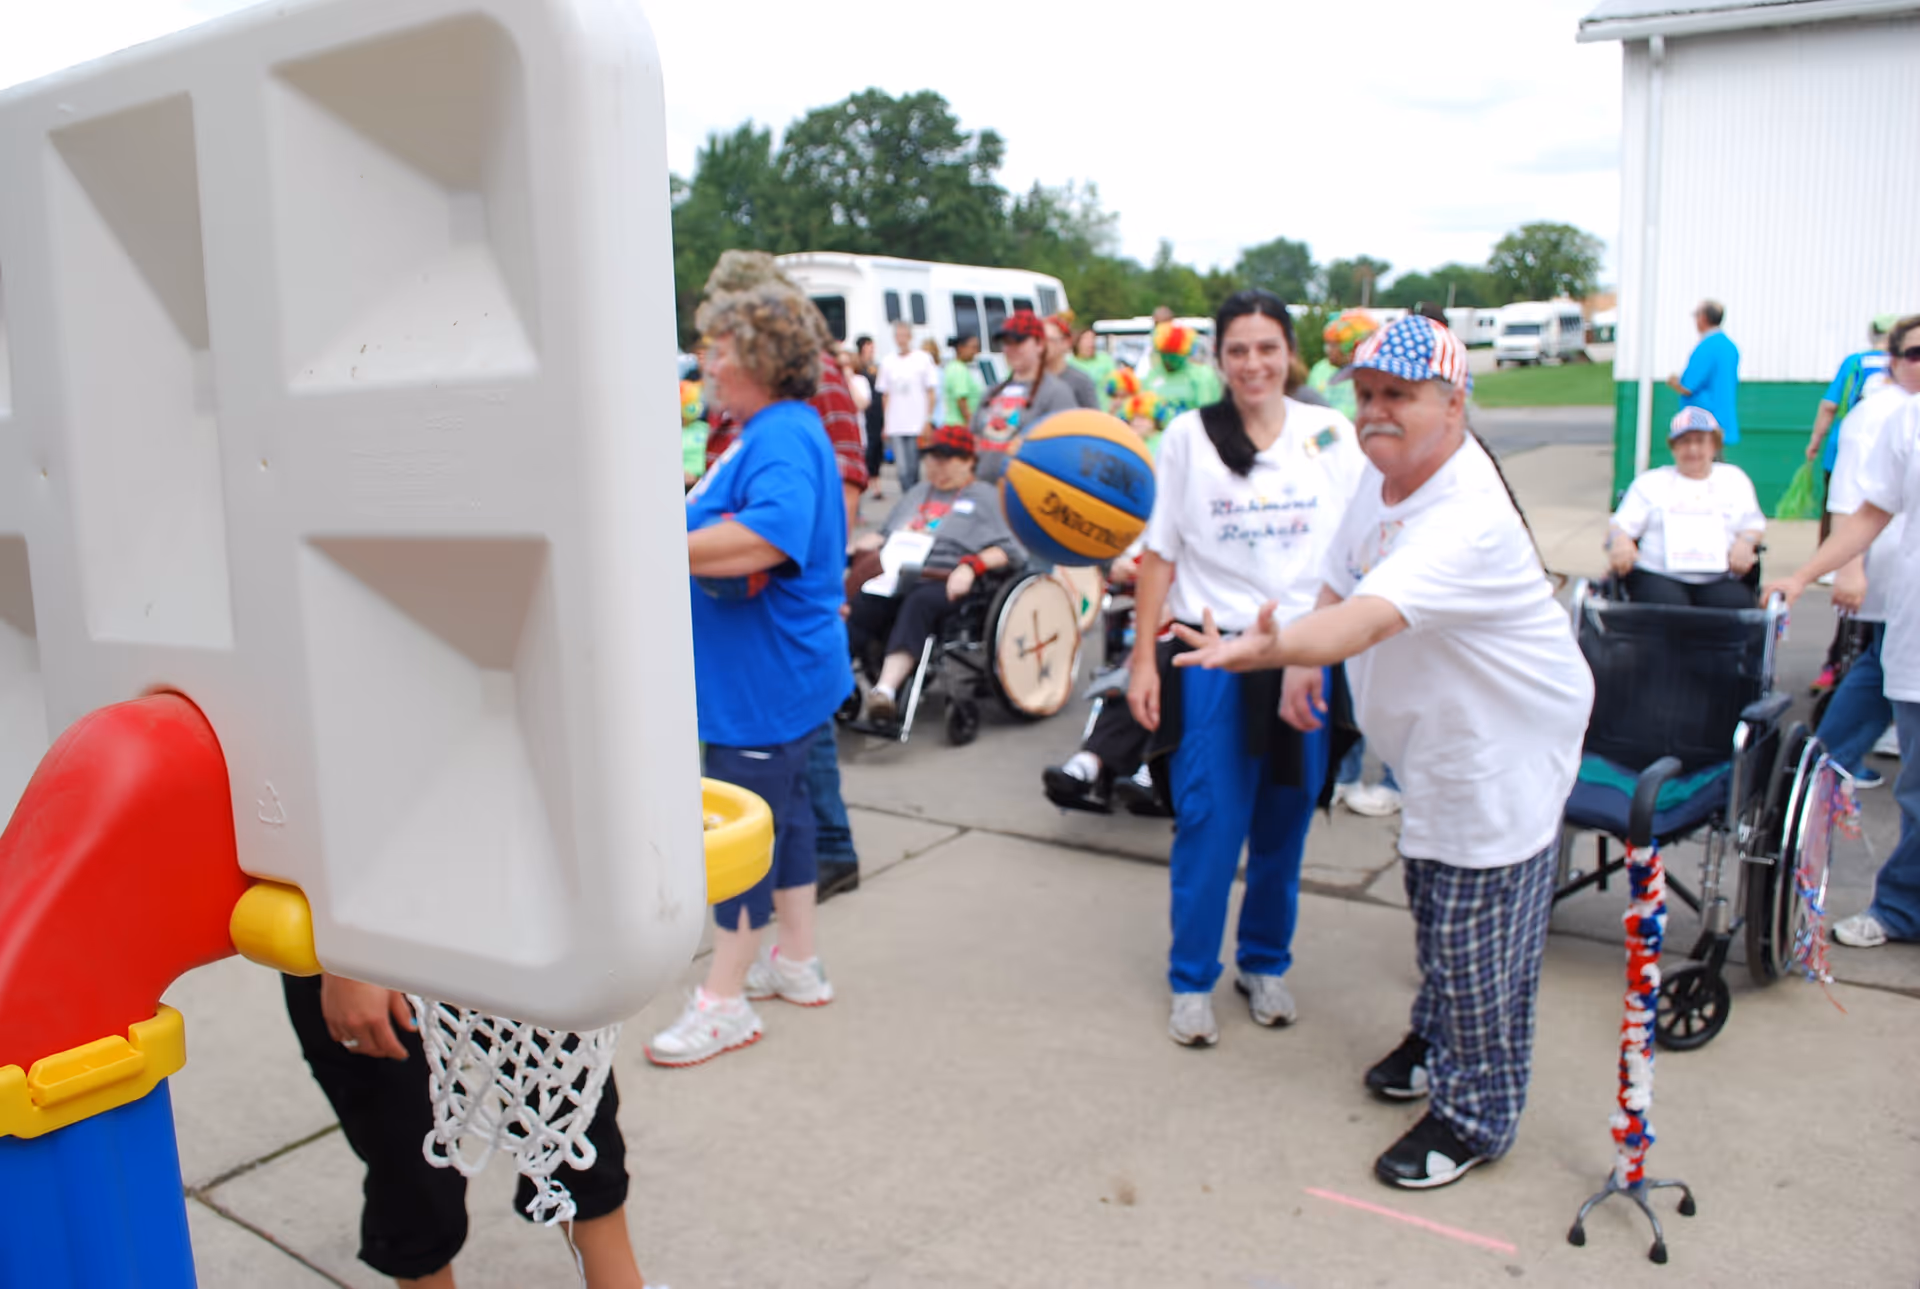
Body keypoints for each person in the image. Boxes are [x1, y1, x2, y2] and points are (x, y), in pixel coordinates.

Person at [1175, 313, 1594, 1190]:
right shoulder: (1383, 471)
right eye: (1364, 395)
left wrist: (1272, 651)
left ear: (1455, 402)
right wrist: (1299, 659)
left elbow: (1366, 615)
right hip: (1435, 743)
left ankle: (1477, 1113)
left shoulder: (1466, 512)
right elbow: (1340, 571)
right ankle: (1440, 1033)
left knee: (1480, 936)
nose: (1373, 413)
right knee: (1435, 899)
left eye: (1397, 397)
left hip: (1500, 749)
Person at [1126, 289, 1366, 1048]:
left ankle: (1263, 962)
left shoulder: (1328, 433)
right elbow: (1160, 553)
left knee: (1284, 822)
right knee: (1208, 819)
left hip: (1305, 653)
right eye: (1237, 349)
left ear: (1288, 351)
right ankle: (1192, 978)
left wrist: (1322, 644)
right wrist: (1142, 659)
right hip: (1215, 654)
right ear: (1217, 357)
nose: (1253, 363)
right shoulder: (1189, 438)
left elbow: (1359, 540)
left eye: (1267, 347)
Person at [649, 273, 850, 1068]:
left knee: (738, 840)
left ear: (759, 356)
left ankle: (723, 1000)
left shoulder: (778, 436)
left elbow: (773, 533)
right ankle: (796, 961)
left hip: (763, 687)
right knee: (789, 817)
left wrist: (649, 541)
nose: (708, 362)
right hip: (784, 678)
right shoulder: (776, 430)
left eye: (719, 347)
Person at [283, 976, 649, 1288]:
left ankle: (616, 1281)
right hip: (356, 913)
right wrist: (347, 959)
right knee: (406, 1139)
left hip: (499, 901)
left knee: (567, 1096)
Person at [1767, 315, 1920, 950]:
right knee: (1918, 793)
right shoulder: (1902, 424)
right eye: (1915, 351)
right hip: (1913, 636)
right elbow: (1867, 514)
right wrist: (1805, 573)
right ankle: (1902, 910)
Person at [847, 425, 1023, 725]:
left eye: (946, 458)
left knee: (919, 603)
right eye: (932, 458)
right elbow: (888, 533)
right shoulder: (917, 492)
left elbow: (1013, 551)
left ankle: (885, 691)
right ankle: (828, 680)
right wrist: (869, 542)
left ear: (969, 461)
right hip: (898, 571)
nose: (936, 465)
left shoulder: (986, 497)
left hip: (946, 576)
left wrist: (971, 566)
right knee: (863, 602)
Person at [1813, 352, 1920, 787]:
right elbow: (1854, 500)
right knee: (1875, 666)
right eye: (1914, 353)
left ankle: (1828, 762)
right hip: (1893, 576)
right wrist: (1847, 566)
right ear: (1893, 360)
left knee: (1875, 667)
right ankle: (1828, 762)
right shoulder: (1883, 415)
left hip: (1897, 579)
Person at [1606, 407, 1764, 608]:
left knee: (1734, 610)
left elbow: (1753, 525)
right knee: (1668, 608)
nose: (1693, 449)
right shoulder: (1650, 482)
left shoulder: (1734, 480)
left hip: (1719, 576)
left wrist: (1746, 542)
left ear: (1714, 445)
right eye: (1685, 442)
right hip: (1659, 574)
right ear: (1673, 447)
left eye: (1700, 441)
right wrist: (1620, 542)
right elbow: (1619, 526)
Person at [971, 309, 1080, 483]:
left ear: (1039, 345)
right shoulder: (992, 392)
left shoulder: (1056, 392)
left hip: (1025, 494)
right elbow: (974, 440)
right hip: (986, 493)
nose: (1011, 349)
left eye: (1019, 342)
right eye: (1006, 343)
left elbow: (1066, 451)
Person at [877, 319, 939, 491]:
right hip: (896, 423)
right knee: (902, 470)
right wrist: (885, 422)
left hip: (916, 422)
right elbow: (885, 394)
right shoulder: (888, 362)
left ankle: (914, 500)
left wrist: (928, 418)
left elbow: (931, 392)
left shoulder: (923, 359)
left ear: (910, 337)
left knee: (913, 468)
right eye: (898, 335)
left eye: (904, 335)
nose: (901, 339)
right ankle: (908, 499)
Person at [1667, 299, 1741, 444]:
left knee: (1704, 464)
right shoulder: (1730, 347)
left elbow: (1687, 387)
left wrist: (1673, 382)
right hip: (1722, 419)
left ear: (1704, 318)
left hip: (1702, 423)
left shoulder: (1706, 347)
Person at [1308, 310, 1378, 421]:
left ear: (1351, 347)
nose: (1327, 350)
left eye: (1334, 345)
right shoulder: (1319, 370)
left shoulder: (1369, 374)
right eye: (1327, 344)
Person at [1142, 321, 1218, 423]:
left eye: (1174, 356)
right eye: (1165, 354)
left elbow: (1207, 412)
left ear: (1186, 354)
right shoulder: (1152, 375)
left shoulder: (1201, 375)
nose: (1168, 360)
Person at [1045, 313, 1103, 410]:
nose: (1045, 345)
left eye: (1050, 340)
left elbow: (1094, 419)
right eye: (1040, 340)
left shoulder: (1080, 381)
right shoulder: (1031, 379)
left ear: (1066, 343)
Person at [857, 334, 885, 486]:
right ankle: (869, 480)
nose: (872, 351)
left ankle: (876, 482)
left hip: (878, 412)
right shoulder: (859, 368)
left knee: (877, 448)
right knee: (870, 446)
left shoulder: (875, 367)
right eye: (869, 348)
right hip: (867, 413)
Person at [941, 334, 985, 430]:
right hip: (960, 427)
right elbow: (961, 400)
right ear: (961, 348)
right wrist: (971, 424)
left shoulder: (953, 366)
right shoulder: (959, 370)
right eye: (973, 348)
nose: (976, 352)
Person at [1067, 325, 1116, 397]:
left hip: (1103, 406)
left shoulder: (1105, 359)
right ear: (1077, 342)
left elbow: (1115, 382)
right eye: (1086, 339)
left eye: (1093, 339)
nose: (1091, 343)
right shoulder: (1069, 362)